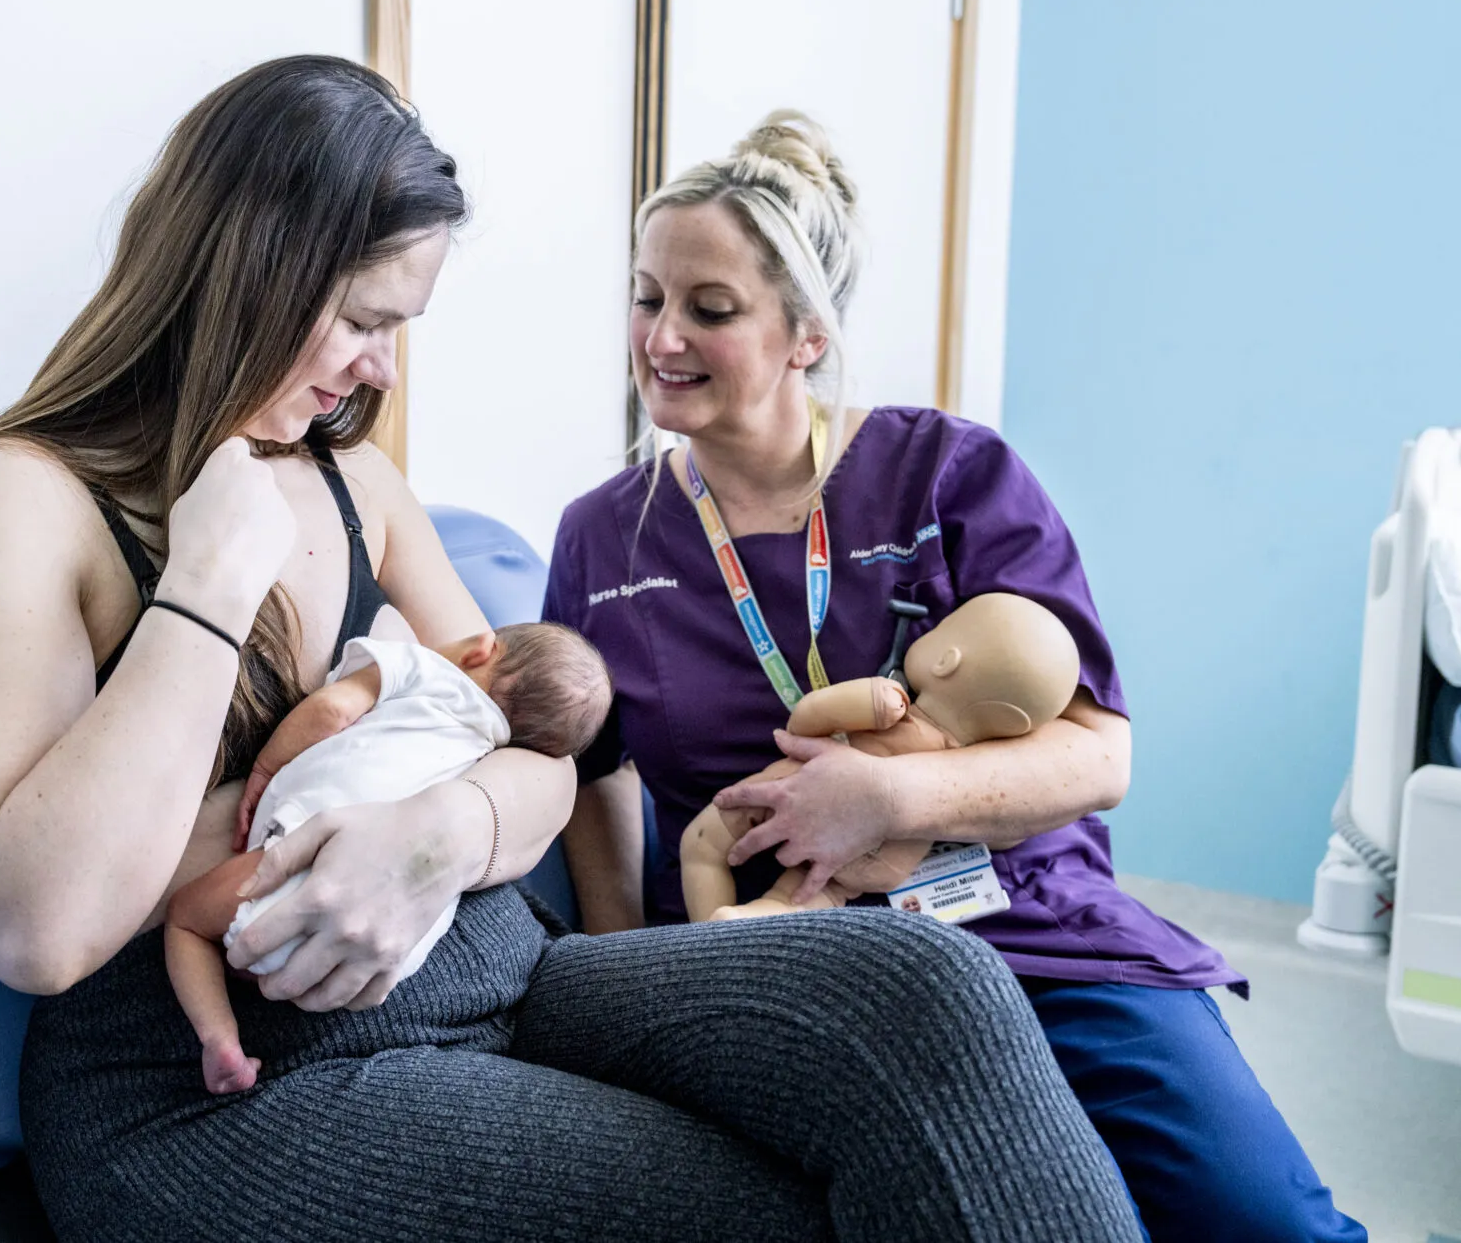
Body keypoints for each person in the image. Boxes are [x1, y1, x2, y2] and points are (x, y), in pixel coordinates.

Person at [0, 56, 1141, 1242]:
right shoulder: (17, 499)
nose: (374, 371)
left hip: (503, 975)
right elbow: (41, 924)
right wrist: (210, 582)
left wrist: (442, 833)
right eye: (359, 320)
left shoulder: (354, 483)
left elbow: (552, 743)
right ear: (248, 271)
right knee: (778, 1210)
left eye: (399, 326)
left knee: (932, 992)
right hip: (210, 1078)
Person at [545, 108, 1366, 1243]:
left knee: (1258, 1222)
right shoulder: (604, 536)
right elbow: (594, 776)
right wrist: (624, 981)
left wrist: (885, 800)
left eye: (709, 309)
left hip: (1021, 922)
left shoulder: (947, 473)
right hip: (778, 963)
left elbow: (1097, 750)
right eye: (646, 297)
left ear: (805, 336)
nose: (660, 337)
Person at [163, 623, 613, 1094]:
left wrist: (265, 768)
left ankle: (221, 1041)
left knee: (187, 922)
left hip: (298, 863)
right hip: (380, 959)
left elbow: (333, 709)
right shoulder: (486, 752)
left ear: (481, 647)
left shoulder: (420, 668)